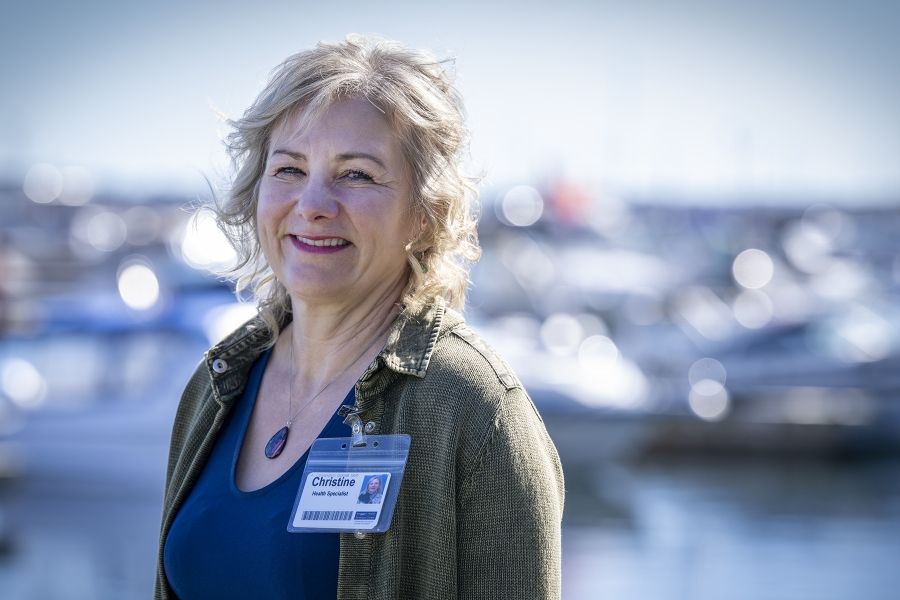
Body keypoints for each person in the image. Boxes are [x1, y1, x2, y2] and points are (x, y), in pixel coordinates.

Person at [155, 34, 564, 600]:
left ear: (424, 214)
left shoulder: (474, 409)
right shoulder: (216, 384)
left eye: (357, 174)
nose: (314, 203)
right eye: (289, 169)